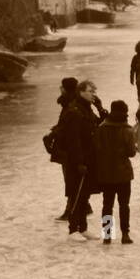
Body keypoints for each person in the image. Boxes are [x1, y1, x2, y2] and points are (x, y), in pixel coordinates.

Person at [57, 79, 107, 240]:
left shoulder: (86, 109)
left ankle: (83, 227)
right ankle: (73, 229)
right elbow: (74, 141)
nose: (94, 94)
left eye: (94, 91)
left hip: (90, 157)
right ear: (81, 92)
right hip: (78, 160)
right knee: (76, 194)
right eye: (91, 91)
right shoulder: (74, 111)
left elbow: (96, 126)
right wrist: (79, 162)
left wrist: (101, 109)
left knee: (84, 194)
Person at [94, 100, 137, 245]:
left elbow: (97, 149)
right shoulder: (127, 130)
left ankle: (107, 235)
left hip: (106, 172)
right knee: (124, 205)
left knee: (107, 204)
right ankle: (125, 234)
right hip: (123, 173)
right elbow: (131, 153)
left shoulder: (101, 128)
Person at [52, 77, 84, 221]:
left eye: (61, 86)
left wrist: (57, 132)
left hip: (69, 150)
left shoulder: (70, 106)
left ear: (65, 89)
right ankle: (82, 206)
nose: (60, 88)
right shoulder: (72, 103)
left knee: (70, 180)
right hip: (71, 148)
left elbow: (70, 129)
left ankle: (70, 209)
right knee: (73, 179)